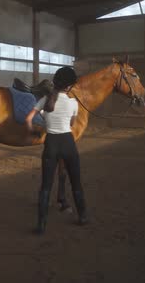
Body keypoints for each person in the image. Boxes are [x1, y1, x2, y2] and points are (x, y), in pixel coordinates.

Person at [25, 66, 87, 234]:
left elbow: (28, 119)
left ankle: (41, 225)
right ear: (69, 86)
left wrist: (34, 130)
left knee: (45, 186)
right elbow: (72, 124)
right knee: (76, 183)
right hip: (68, 143)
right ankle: (82, 216)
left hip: (51, 144)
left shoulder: (45, 100)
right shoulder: (73, 103)